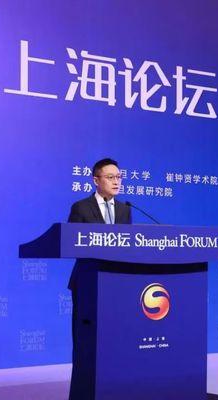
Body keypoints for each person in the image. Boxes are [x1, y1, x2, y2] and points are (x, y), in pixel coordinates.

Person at [67, 158, 132, 399]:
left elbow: (129, 246)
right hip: (88, 284)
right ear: (96, 180)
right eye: (110, 177)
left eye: (119, 177)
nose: (116, 182)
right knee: (88, 343)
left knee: (117, 341)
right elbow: (72, 243)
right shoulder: (81, 208)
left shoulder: (125, 209)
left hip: (117, 284)